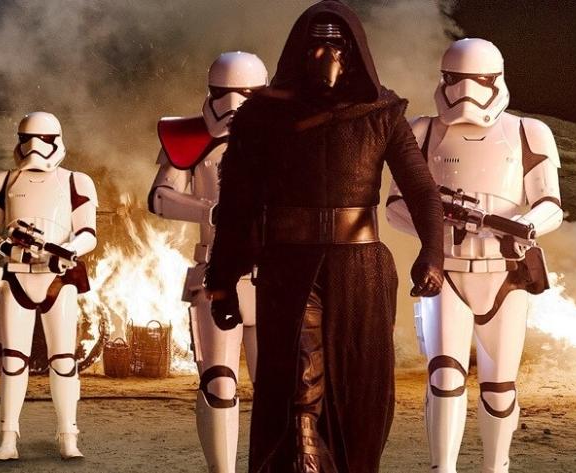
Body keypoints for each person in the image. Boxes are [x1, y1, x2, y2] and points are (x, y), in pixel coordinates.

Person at [205, 2, 444, 471]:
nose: (326, 56)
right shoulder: (263, 115)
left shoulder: (382, 114)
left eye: (336, 44)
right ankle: (304, 456)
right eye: (316, 44)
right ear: (299, 49)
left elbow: (421, 190)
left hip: (361, 268)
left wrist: (432, 254)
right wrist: (222, 278)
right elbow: (237, 204)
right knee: (299, 381)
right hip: (289, 265)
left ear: (353, 52)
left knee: (359, 387)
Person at [387, 38, 563, 473]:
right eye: (456, 80)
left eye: (477, 81)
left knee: (499, 387)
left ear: (495, 80)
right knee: (444, 378)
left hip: (505, 273)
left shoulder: (528, 132)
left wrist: (525, 226)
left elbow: (550, 204)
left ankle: (496, 466)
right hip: (445, 270)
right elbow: (396, 206)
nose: (466, 93)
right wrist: (437, 225)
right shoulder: (422, 130)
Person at [148, 51, 268, 473]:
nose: (232, 104)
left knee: (278, 387)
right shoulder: (189, 137)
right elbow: (160, 197)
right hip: (215, 269)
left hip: (273, 273)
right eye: (222, 93)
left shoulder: (287, 135)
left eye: (244, 94)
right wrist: (210, 210)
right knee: (218, 382)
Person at [0, 111, 98, 461]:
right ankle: (8, 438)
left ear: (56, 141)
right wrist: (7, 248)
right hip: (16, 274)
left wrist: (66, 251)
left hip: (58, 279)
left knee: (64, 360)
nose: (34, 147)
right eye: (27, 139)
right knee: (13, 361)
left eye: (43, 140)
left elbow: (87, 232)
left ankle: (68, 435)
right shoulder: (3, 180)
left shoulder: (76, 181)